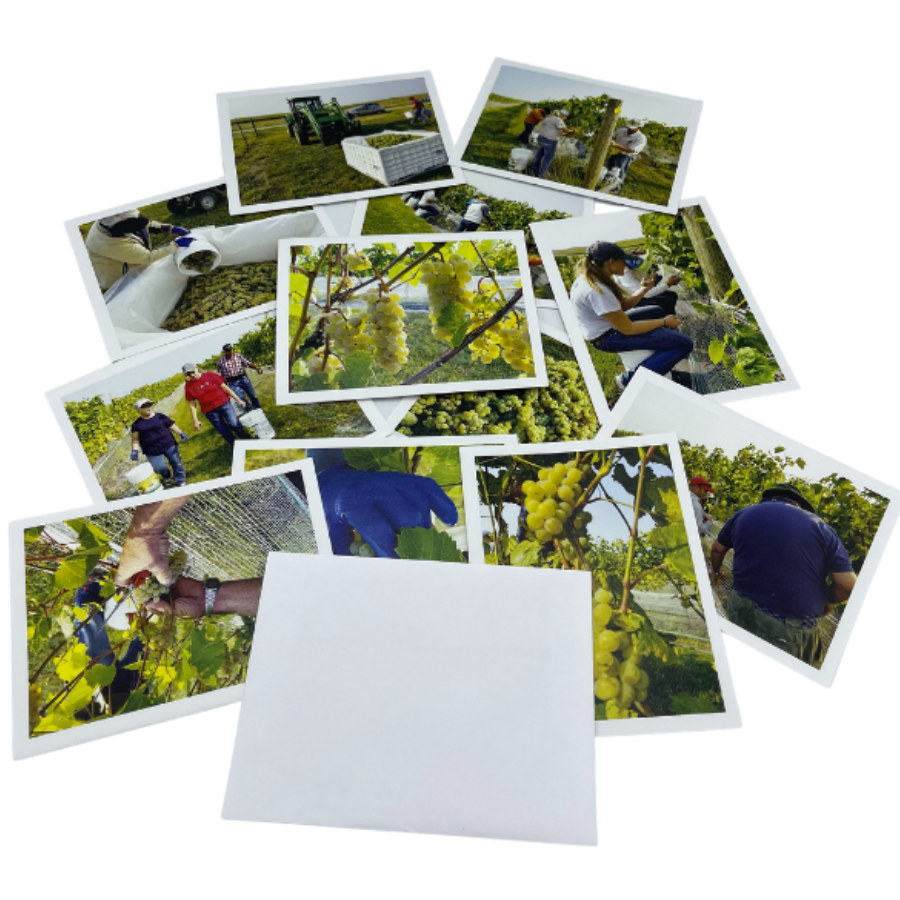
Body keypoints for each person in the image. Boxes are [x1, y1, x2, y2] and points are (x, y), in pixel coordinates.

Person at [709, 484, 858, 666]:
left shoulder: (744, 513)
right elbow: (848, 586)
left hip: (739, 605)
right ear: (799, 504)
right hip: (788, 628)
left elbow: (717, 549)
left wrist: (715, 573)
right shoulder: (820, 527)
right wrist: (828, 601)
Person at [569, 241, 693, 391]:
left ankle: (662, 358)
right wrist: (664, 322)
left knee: (656, 310)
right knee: (685, 343)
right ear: (611, 262)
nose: (626, 263)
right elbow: (628, 329)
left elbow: (620, 307)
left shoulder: (593, 278)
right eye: (623, 260)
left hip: (608, 327)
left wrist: (642, 290)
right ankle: (629, 379)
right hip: (606, 338)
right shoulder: (597, 290)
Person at [85, 209, 194, 291]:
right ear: (124, 229)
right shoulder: (105, 242)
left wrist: (170, 228)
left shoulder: (117, 217)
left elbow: (145, 224)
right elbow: (148, 257)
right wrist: (175, 245)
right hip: (119, 278)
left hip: (133, 262)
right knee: (133, 295)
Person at [182, 363, 250, 447]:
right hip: (210, 411)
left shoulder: (210, 375)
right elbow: (192, 404)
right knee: (223, 431)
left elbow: (225, 387)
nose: (192, 375)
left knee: (233, 424)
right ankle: (235, 447)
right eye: (189, 373)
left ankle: (246, 439)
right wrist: (195, 420)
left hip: (224, 404)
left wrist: (238, 399)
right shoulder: (188, 387)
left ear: (196, 368)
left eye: (193, 371)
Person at [130, 398, 189, 487]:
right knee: (160, 468)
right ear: (139, 410)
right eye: (144, 406)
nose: (148, 407)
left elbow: (171, 425)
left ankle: (180, 480)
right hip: (151, 450)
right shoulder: (136, 425)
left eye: (149, 405)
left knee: (176, 462)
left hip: (168, 444)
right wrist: (134, 451)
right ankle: (167, 476)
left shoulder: (160, 416)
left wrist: (181, 433)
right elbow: (135, 440)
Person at [615, 253, 681, 319]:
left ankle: (671, 319)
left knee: (672, 295)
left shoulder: (633, 260)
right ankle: (667, 323)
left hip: (640, 293)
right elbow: (646, 294)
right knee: (665, 302)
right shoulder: (624, 275)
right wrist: (668, 284)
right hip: (632, 300)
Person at [216, 343, 264, 411]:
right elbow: (220, 374)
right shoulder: (220, 361)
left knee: (252, 395)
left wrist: (257, 368)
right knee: (240, 397)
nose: (230, 352)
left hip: (243, 379)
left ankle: (258, 409)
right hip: (232, 382)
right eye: (228, 351)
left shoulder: (238, 356)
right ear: (224, 352)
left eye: (230, 350)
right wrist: (223, 386)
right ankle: (249, 410)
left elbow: (248, 364)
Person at [526, 110, 571, 179]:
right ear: (562, 115)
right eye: (565, 117)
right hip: (550, 140)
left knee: (539, 155)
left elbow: (553, 130)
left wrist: (563, 134)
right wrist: (571, 131)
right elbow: (565, 130)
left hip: (542, 138)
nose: (566, 118)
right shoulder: (558, 120)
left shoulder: (547, 119)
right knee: (548, 158)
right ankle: (540, 175)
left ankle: (531, 169)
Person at [605, 119, 648, 191]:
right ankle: (606, 183)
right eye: (629, 127)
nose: (629, 130)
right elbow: (613, 136)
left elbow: (631, 150)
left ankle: (615, 188)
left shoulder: (641, 138)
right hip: (615, 152)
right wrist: (611, 140)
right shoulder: (621, 130)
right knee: (609, 167)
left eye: (632, 129)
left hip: (627, 156)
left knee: (619, 171)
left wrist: (616, 145)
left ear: (640, 128)